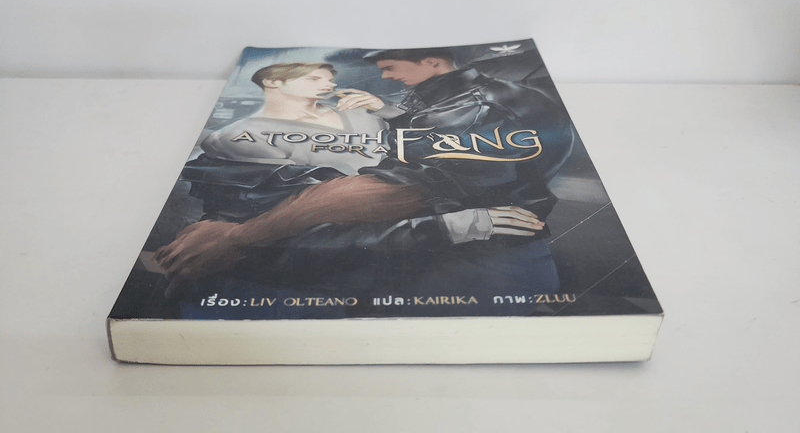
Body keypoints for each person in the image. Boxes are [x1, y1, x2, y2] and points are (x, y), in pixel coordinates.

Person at [155, 49, 570, 293]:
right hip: (383, 254)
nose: (327, 85)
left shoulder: (467, 108)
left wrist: (239, 236)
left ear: (432, 62)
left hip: (461, 256)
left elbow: (390, 190)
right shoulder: (238, 137)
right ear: (275, 83)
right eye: (314, 78)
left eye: (390, 68)